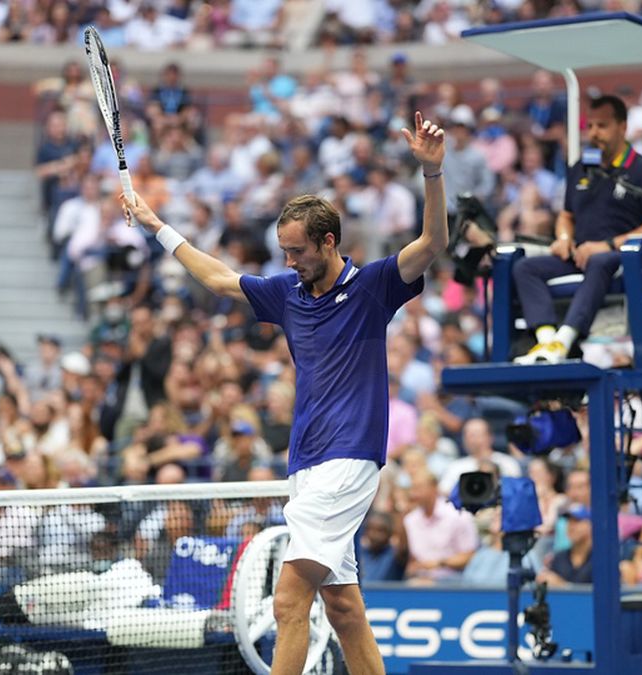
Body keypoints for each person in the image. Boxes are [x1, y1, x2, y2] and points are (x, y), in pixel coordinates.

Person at [121, 110, 448, 675]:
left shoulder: (372, 287)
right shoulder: (288, 292)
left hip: (348, 460)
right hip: (307, 462)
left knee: (288, 600)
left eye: (297, 251)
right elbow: (220, 278)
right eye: (283, 252)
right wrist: (157, 225)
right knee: (343, 608)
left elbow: (432, 242)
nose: (289, 262)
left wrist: (432, 175)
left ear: (327, 241)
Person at [512, 95, 642, 364]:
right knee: (525, 268)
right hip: (580, 254)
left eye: (602, 126)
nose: (594, 133)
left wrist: (607, 244)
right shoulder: (581, 168)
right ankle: (549, 343)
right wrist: (563, 238)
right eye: (590, 126)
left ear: (622, 127)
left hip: (621, 257)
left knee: (599, 260)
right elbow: (566, 216)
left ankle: (566, 338)